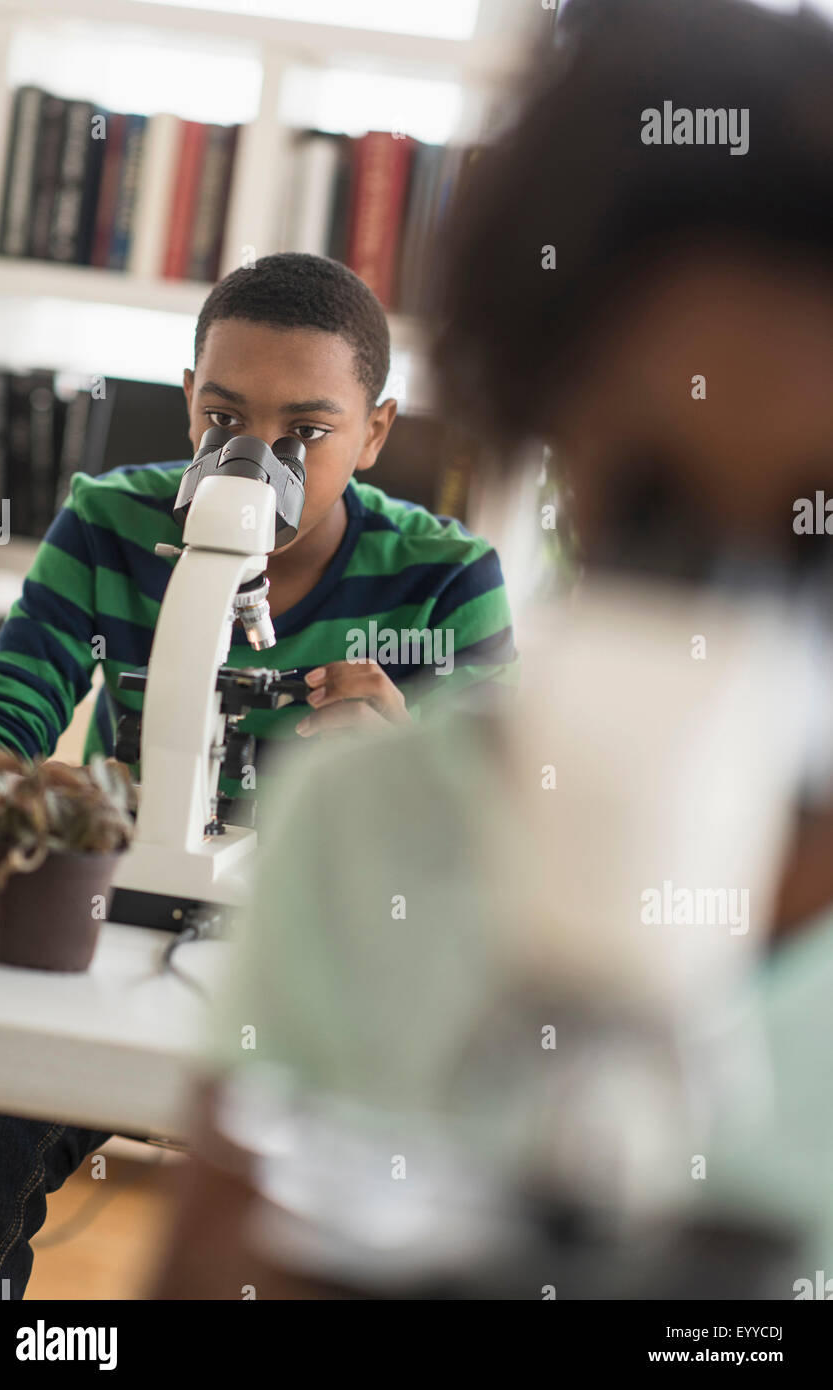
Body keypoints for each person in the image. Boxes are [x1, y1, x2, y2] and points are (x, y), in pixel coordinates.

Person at [149, 0, 833, 1299]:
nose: (734, 616)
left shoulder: (435, 586)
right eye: (654, 509)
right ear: (550, 432)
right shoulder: (365, 830)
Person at [0, 253, 515, 1298]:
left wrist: (409, 766)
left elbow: (501, 843)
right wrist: (17, 793)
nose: (254, 461)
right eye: (225, 421)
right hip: (117, 941)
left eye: (307, 433)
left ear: (377, 431)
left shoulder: (448, 580)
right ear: (187, 405)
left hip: (330, 968)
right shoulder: (111, 522)